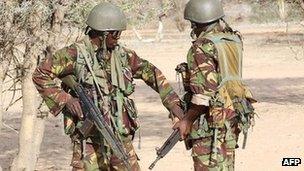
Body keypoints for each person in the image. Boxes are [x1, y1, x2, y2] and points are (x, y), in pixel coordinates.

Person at [32, 2, 183, 171]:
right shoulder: (74, 54)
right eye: (115, 34)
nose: (118, 38)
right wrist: (66, 99)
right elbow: (40, 74)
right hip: (88, 141)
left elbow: (153, 73)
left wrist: (173, 103)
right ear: (103, 34)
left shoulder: (123, 55)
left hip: (119, 136)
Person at [173, 0, 257, 170]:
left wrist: (187, 120)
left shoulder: (203, 46)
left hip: (210, 123)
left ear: (197, 22)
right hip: (232, 116)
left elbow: (203, 96)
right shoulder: (233, 40)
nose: (192, 29)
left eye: (192, 24)